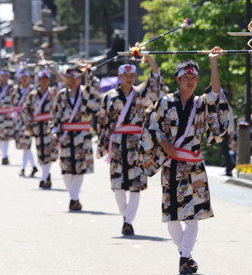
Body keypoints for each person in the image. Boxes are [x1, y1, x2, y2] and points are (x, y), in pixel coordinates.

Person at [139, 49, 230, 275]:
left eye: (194, 78)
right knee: (172, 214)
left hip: (195, 166)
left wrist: (213, 63)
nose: (190, 81)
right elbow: (150, 124)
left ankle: (185, 256)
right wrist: (163, 142)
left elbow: (217, 93)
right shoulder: (165, 102)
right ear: (178, 80)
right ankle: (185, 254)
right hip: (171, 165)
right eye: (186, 78)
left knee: (192, 215)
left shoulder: (202, 103)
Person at [97, 55, 166, 236]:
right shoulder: (109, 97)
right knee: (118, 184)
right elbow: (102, 121)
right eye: (126, 75)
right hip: (118, 144)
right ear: (119, 77)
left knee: (136, 183)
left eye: (132, 76)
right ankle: (125, 216)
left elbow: (156, 76)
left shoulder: (141, 93)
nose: (129, 79)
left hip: (137, 144)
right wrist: (103, 143)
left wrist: (148, 57)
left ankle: (128, 221)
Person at [51, 64, 100, 211]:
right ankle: (74, 197)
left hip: (82, 135)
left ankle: (74, 198)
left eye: (77, 76)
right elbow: (55, 116)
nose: (73, 79)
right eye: (70, 76)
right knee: (66, 168)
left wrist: (89, 72)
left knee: (80, 168)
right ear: (66, 78)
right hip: (66, 135)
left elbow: (96, 91)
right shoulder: (60, 95)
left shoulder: (86, 92)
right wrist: (54, 130)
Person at [25, 65, 62, 189]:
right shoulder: (32, 95)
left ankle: (42, 178)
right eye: (42, 79)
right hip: (37, 127)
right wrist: (29, 126)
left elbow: (62, 82)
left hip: (50, 127)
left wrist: (54, 69)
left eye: (47, 78)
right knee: (40, 153)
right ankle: (46, 176)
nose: (44, 81)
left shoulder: (54, 93)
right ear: (38, 80)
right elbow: (27, 111)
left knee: (50, 153)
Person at [12, 68, 38, 177]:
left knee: (26, 144)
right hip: (19, 120)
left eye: (26, 77)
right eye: (22, 78)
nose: (24, 79)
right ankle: (33, 166)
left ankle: (23, 168)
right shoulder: (16, 90)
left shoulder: (33, 91)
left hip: (29, 121)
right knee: (24, 144)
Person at [0, 69, 17, 165]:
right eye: (3, 75)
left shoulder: (13, 88)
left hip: (8, 115)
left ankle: (4, 156)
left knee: (6, 136)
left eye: (6, 75)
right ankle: (4, 153)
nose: (4, 77)